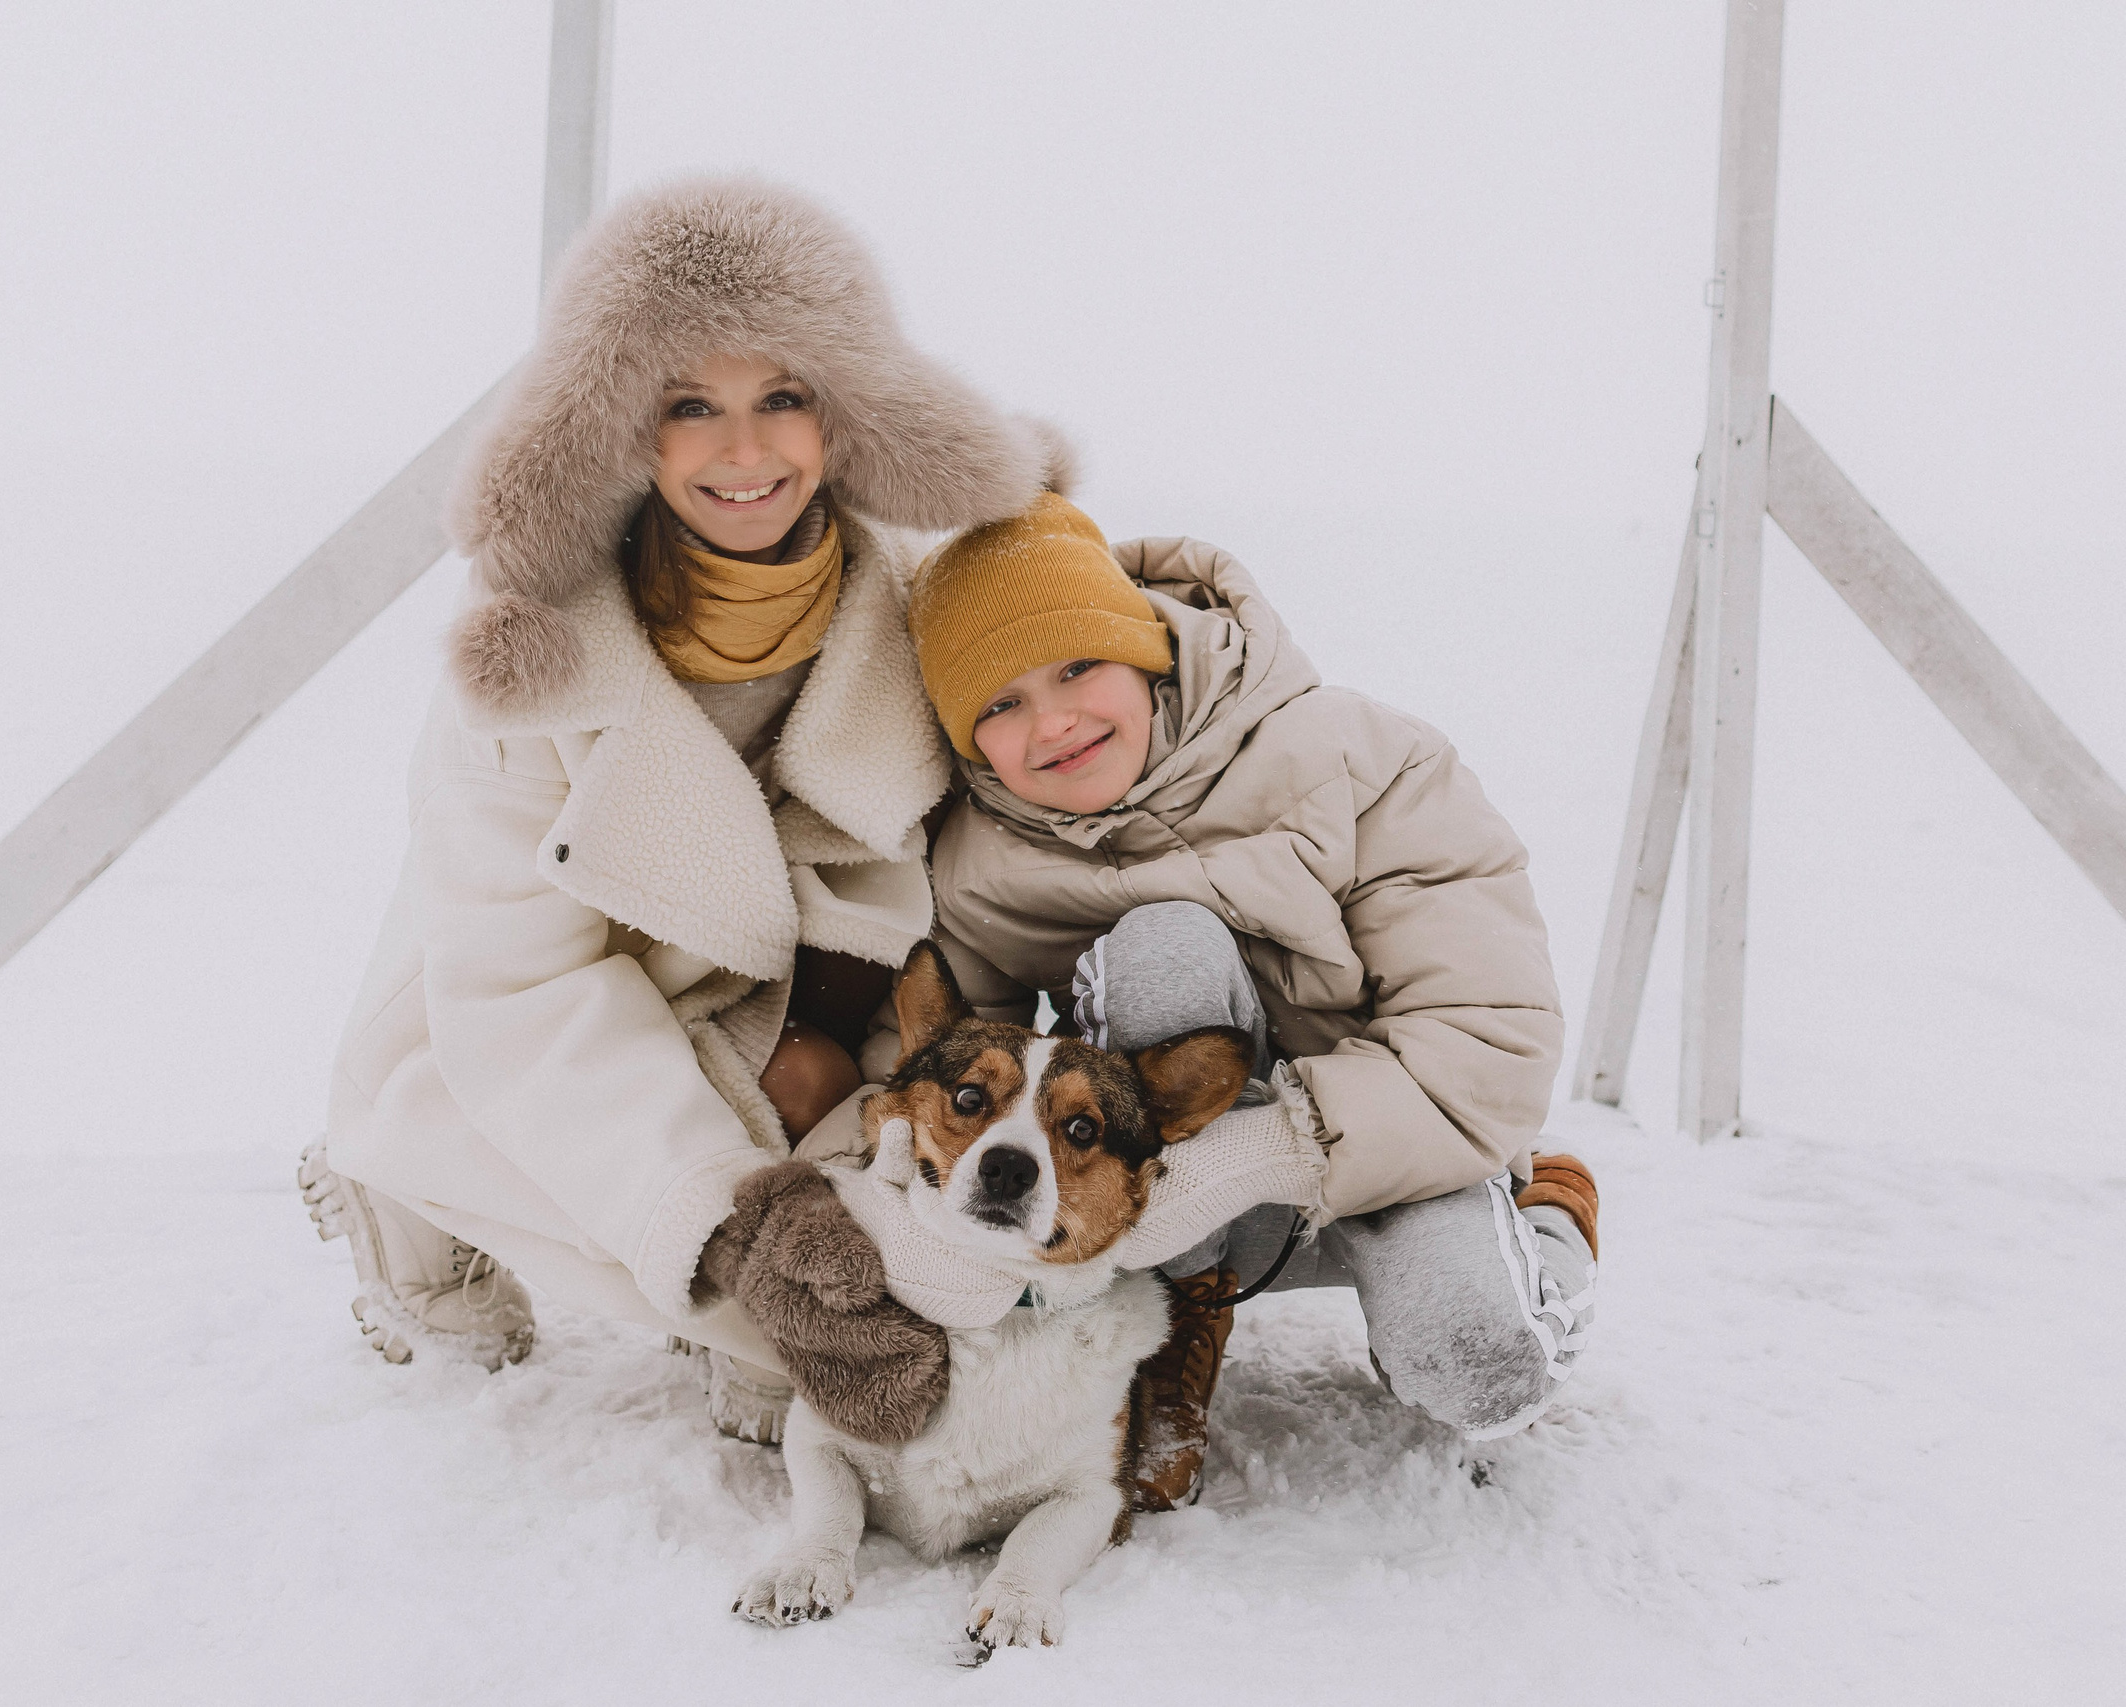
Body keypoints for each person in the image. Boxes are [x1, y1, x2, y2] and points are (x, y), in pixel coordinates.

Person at [297, 177, 1059, 1445]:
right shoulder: (533, 671)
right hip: (529, 1015)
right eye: (687, 406)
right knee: (673, 1254)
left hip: (784, 1002)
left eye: (783, 398)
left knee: (870, 1299)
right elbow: (518, 996)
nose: (743, 452)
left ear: (846, 414)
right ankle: (393, 1193)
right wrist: (738, 1215)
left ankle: (753, 1199)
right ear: (616, 430)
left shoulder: (909, 596)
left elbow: (1090, 665)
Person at [901, 484, 1602, 1507]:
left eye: (1077, 666)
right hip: (1181, 1209)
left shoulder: (1369, 763)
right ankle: (1184, 1318)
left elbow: (1485, 1042)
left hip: (1405, 1152)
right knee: (1164, 950)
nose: (1050, 722)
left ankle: (1551, 1214)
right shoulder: (975, 865)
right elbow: (934, 1074)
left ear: (1141, 645)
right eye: (998, 704)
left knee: (1477, 1369)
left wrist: (1269, 1147)